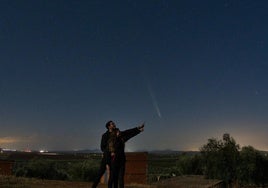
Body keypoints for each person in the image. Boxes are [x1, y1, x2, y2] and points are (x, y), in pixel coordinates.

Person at [108, 123, 145, 188]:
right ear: (115, 133)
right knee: (112, 177)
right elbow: (110, 149)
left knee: (121, 178)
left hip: (122, 160)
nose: (119, 132)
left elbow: (130, 135)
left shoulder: (122, 139)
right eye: (118, 131)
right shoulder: (112, 140)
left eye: (119, 131)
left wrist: (139, 131)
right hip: (114, 161)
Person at [92, 120, 116, 188]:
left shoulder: (116, 134)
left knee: (112, 173)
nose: (114, 124)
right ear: (109, 126)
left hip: (113, 157)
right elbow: (102, 147)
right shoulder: (105, 135)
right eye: (112, 124)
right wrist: (109, 152)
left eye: (114, 123)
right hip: (106, 157)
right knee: (100, 173)